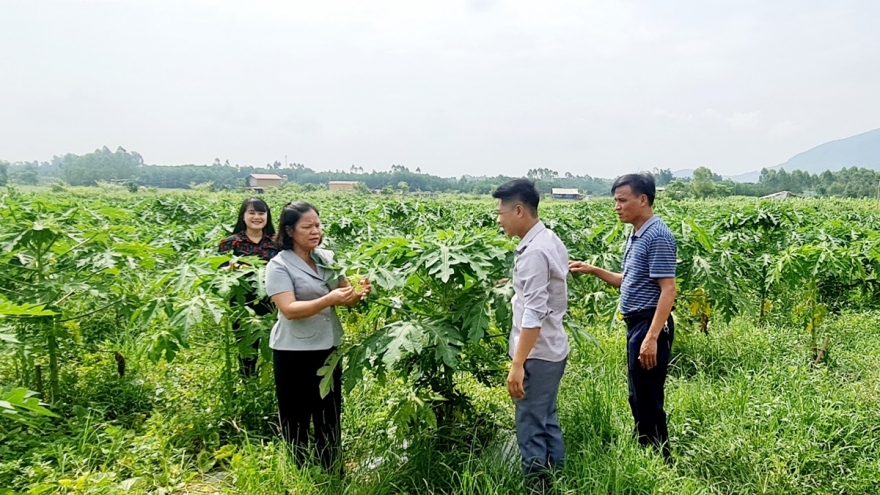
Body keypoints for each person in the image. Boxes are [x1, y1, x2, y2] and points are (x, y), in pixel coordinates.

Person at [569, 172, 677, 460]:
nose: (617, 206)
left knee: (649, 397)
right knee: (637, 393)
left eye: (622, 200)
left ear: (643, 200)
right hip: (636, 323)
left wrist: (651, 338)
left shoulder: (657, 236)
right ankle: (645, 446)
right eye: (615, 200)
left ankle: (661, 456)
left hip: (649, 323)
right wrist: (593, 269)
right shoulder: (636, 234)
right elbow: (627, 280)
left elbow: (668, 291)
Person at [264, 201, 371, 473]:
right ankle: (300, 471)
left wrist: (359, 293)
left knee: (329, 414)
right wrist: (329, 298)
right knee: (295, 415)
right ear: (289, 231)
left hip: (328, 347)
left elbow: (347, 298)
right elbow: (288, 309)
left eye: (318, 225)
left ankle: (332, 469)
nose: (315, 231)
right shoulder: (278, 266)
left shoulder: (327, 258)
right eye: (307, 226)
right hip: (293, 351)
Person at [493, 179, 570, 494]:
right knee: (546, 418)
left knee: (529, 426)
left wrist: (517, 363)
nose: (498, 219)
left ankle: (537, 487)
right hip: (552, 348)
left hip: (537, 354)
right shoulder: (547, 238)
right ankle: (558, 480)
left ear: (519, 210)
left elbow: (534, 313)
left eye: (501, 212)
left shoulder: (534, 252)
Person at [218, 197, 279, 378]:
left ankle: (274, 383)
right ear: (243, 216)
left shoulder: (276, 242)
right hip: (242, 302)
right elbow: (218, 270)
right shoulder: (230, 243)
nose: (257, 217)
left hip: (273, 301)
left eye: (261, 213)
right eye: (251, 213)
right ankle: (248, 383)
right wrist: (230, 267)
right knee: (246, 347)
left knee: (275, 344)